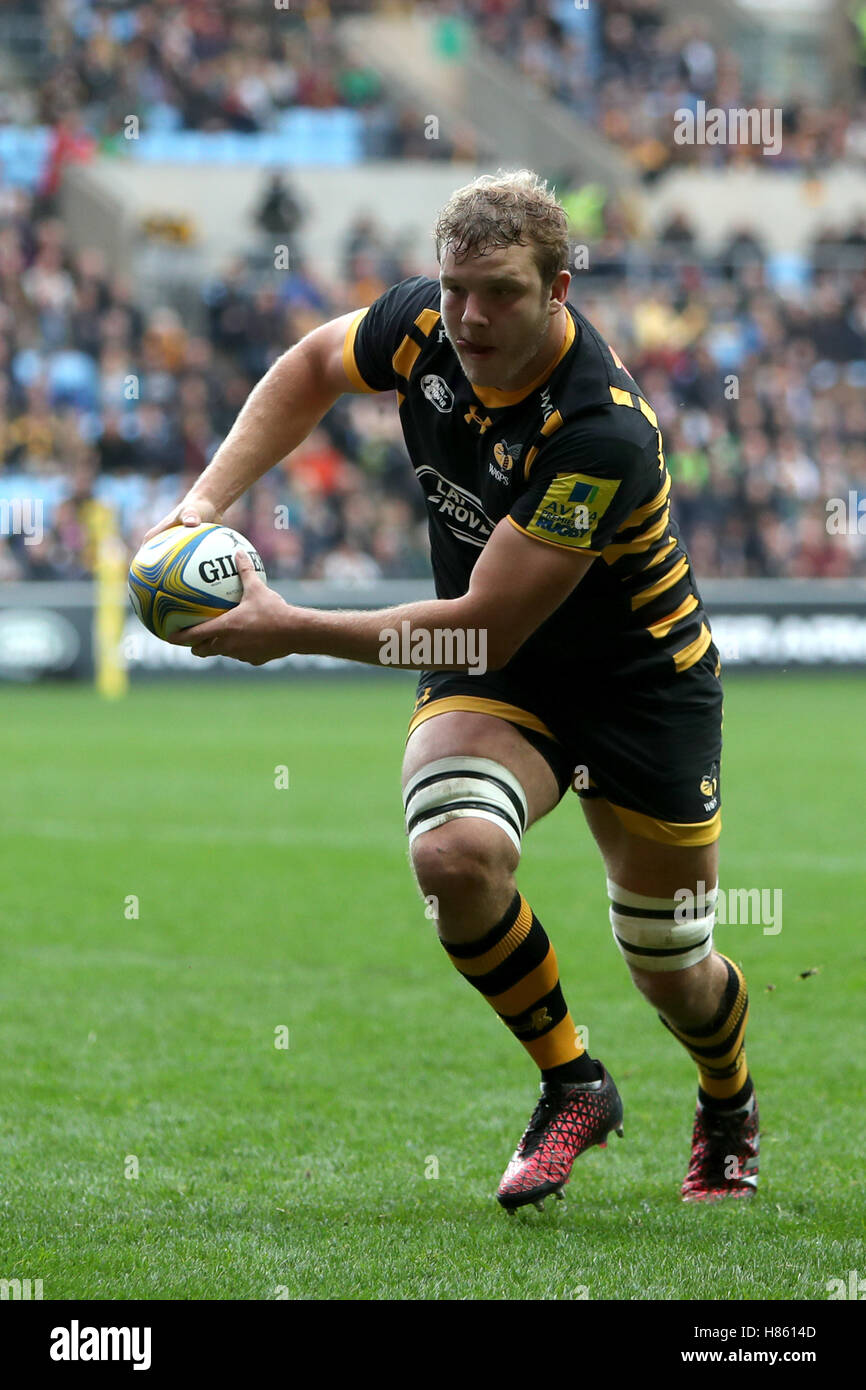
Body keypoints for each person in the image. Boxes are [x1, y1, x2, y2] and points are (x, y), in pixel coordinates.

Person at [144, 170, 758, 1211]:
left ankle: (726, 1097)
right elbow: (305, 367)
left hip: (637, 683)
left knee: (670, 963)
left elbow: (483, 618)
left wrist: (286, 630)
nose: (469, 315)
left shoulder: (596, 430)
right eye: (455, 285)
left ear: (558, 287)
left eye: (503, 293)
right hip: (503, 673)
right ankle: (572, 1081)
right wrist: (194, 505)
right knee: (452, 852)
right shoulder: (423, 325)